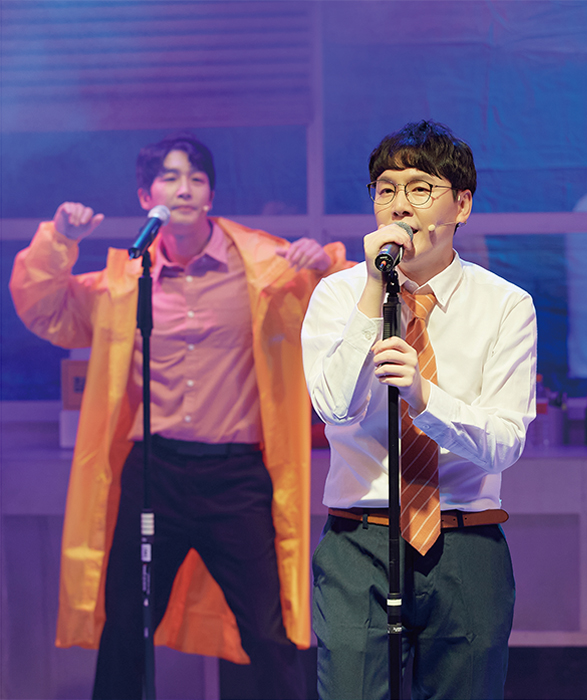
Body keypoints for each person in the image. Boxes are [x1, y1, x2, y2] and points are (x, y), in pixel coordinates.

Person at [9, 134, 352, 699]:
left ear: (210, 193)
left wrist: (324, 264)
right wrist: (60, 239)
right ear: (147, 197)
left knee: (269, 635)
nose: (184, 188)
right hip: (154, 473)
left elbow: (350, 308)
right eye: (169, 178)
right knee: (126, 628)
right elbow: (47, 309)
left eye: (196, 178)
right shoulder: (126, 280)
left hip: (236, 477)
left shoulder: (264, 268)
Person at [301, 120, 537, 699]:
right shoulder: (337, 295)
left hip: (465, 541)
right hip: (358, 538)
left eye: (420, 188)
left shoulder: (506, 305)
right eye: (386, 189)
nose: (400, 205)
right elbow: (333, 408)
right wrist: (371, 292)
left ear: (462, 205)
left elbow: (506, 442)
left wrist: (424, 398)